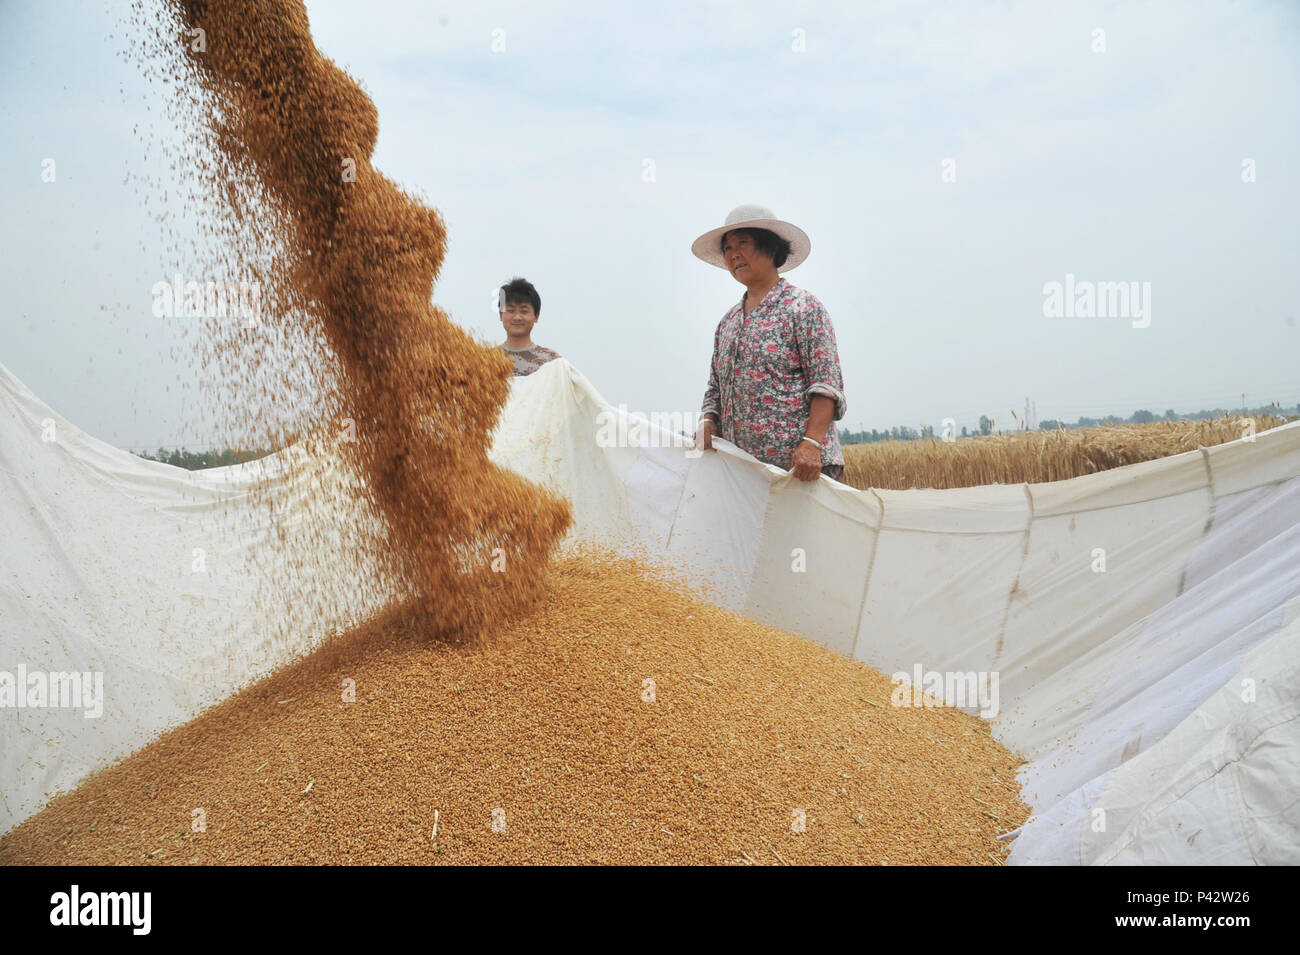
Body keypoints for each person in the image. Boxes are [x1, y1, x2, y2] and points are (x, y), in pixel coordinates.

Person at [691, 204, 847, 482]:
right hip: (743, 475)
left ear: (772, 248)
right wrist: (707, 422)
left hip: (801, 471)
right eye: (727, 248)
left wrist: (811, 444)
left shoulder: (803, 308)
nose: (733, 254)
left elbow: (826, 383)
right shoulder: (727, 324)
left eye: (743, 243)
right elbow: (714, 389)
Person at [496, 276, 560, 376]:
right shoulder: (487, 360)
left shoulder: (552, 360)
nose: (517, 317)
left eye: (524, 311)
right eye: (511, 310)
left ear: (536, 316)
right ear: (501, 315)